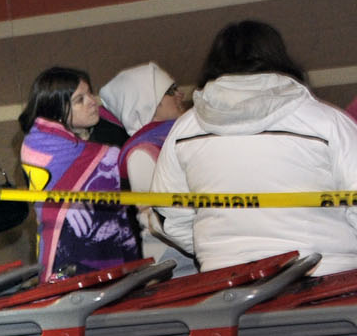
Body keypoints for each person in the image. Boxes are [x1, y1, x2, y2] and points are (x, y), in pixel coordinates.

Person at [152, 21, 357, 275]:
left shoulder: (184, 130)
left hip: (227, 284)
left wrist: (217, 250)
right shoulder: (326, 122)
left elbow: (168, 215)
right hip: (325, 280)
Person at [19, 67, 140, 280]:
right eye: (79, 99)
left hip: (94, 246)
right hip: (68, 253)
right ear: (57, 110)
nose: (93, 102)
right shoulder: (41, 145)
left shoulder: (95, 134)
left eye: (90, 93)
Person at [99, 63, 196, 276]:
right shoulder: (141, 152)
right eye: (171, 91)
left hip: (194, 247)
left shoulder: (183, 134)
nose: (180, 95)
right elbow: (158, 219)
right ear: (148, 104)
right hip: (174, 259)